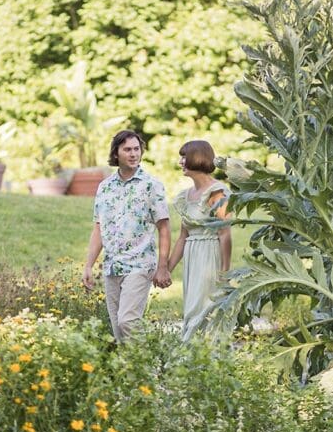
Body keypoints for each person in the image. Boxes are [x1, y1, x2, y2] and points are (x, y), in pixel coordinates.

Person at [83, 130, 172, 343]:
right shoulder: (105, 187)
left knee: (128, 321)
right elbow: (99, 229)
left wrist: (162, 266)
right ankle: (133, 375)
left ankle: (149, 370)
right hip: (112, 266)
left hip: (140, 265)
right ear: (116, 154)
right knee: (119, 332)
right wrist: (88, 265)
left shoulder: (151, 185)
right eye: (127, 150)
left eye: (136, 149)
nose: (133, 154)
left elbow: (164, 228)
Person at [167, 140, 231, 341]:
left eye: (184, 157)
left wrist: (225, 272)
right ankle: (194, 359)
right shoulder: (186, 196)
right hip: (192, 256)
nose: (180, 162)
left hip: (208, 255)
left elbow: (225, 234)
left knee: (202, 308)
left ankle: (194, 357)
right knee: (191, 307)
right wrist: (166, 269)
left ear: (198, 158)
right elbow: (182, 237)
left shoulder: (216, 192)